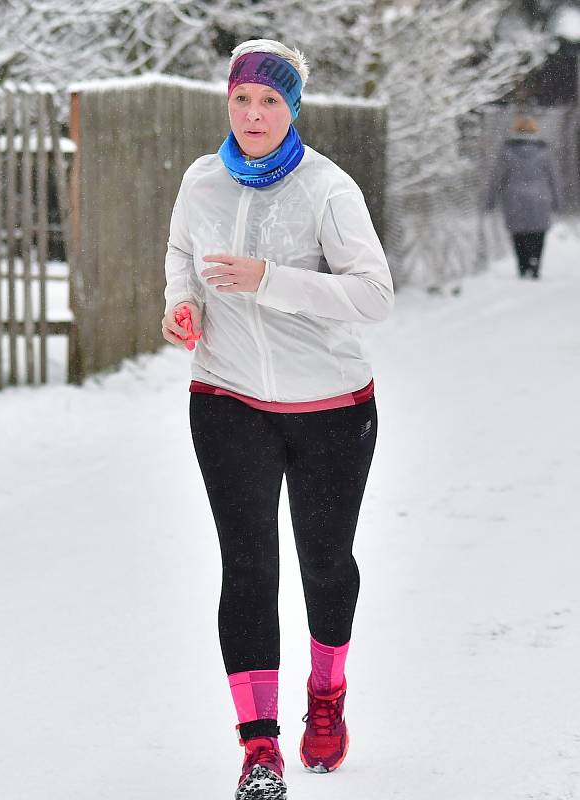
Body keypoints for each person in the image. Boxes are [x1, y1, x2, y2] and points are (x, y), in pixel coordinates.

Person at [161, 38, 394, 800]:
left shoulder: (327, 189)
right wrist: (182, 304)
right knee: (248, 568)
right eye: (241, 100)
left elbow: (372, 296)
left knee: (324, 566)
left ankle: (325, 696)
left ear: (292, 108)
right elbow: (177, 253)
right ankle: (258, 746)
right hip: (226, 400)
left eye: (269, 101)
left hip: (330, 409)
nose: (254, 115)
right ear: (226, 103)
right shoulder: (200, 182)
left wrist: (270, 280)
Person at [485, 114, 561, 279]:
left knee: (519, 234)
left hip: (514, 199)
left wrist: (490, 200)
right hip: (540, 197)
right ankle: (534, 265)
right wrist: (557, 201)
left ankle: (523, 265)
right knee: (538, 233)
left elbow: (497, 177)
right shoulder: (544, 150)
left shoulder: (506, 150)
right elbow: (553, 178)